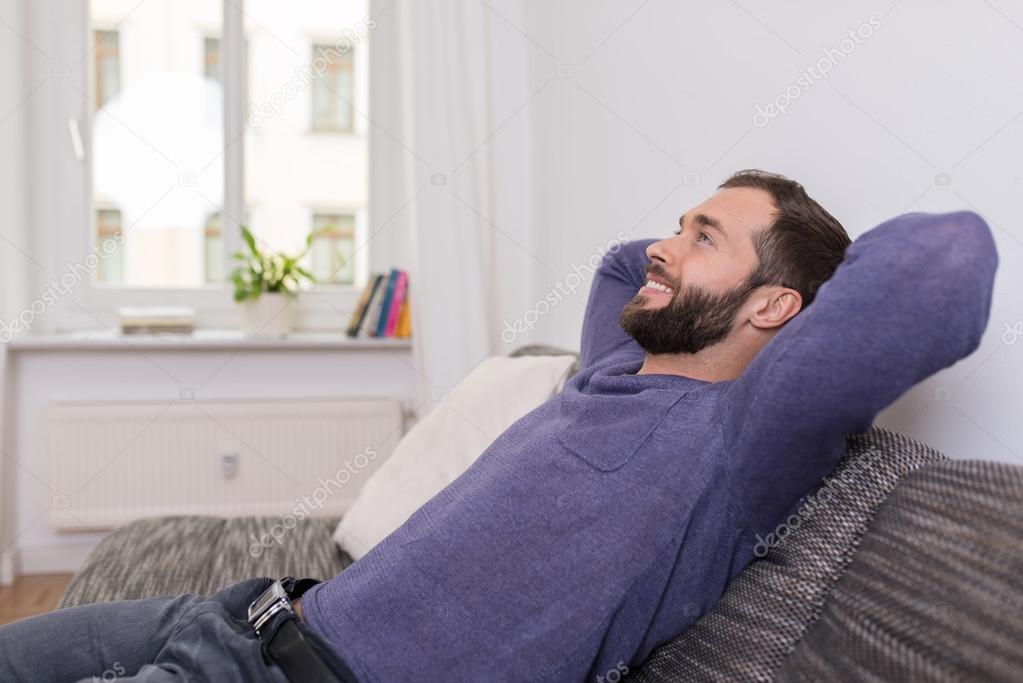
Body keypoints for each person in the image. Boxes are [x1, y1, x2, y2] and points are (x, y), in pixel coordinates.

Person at [0, 170, 998, 682]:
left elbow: (947, 262)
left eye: (700, 236)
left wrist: (795, 287)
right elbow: (621, 267)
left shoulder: (743, 441)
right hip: (238, 616)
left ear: (777, 307)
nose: (662, 244)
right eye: (678, 222)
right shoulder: (614, 367)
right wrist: (707, 254)